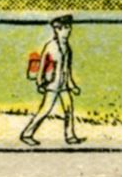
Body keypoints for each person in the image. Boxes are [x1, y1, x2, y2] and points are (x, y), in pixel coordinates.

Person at [20, 12, 83, 145]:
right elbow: (43, 65)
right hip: (52, 84)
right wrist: (39, 82)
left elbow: (67, 69)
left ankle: (70, 136)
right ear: (57, 29)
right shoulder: (50, 46)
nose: (68, 30)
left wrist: (72, 85)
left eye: (69, 27)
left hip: (64, 85)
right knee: (45, 110)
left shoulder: (67, 48)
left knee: (69, 109)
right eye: (65, 28)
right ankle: (27, 134)